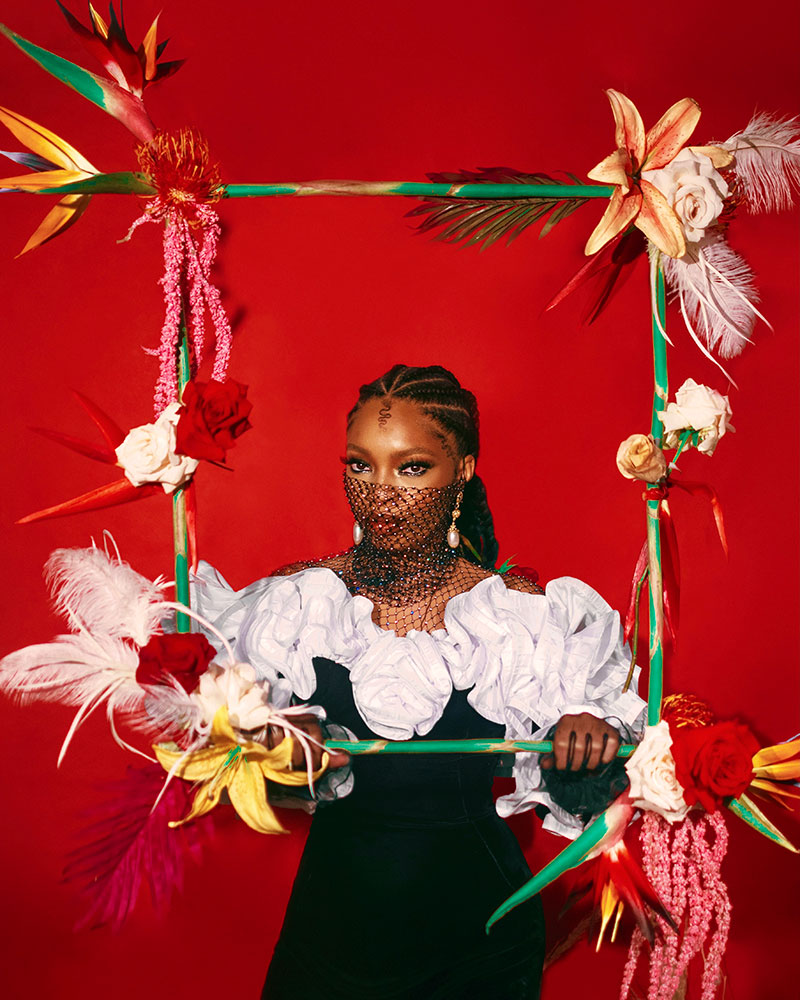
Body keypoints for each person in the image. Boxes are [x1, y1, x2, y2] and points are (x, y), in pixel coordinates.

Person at [191, 364, 645, 1000]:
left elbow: (592, 790)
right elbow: (225, 752)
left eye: (410, 468)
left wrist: (586, 736)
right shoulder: (295, 605)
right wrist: (273, 748)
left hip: (480, 944)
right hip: (329, 939)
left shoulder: (520, 617)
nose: (379, 493)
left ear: (461, 469)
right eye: (359, 465)